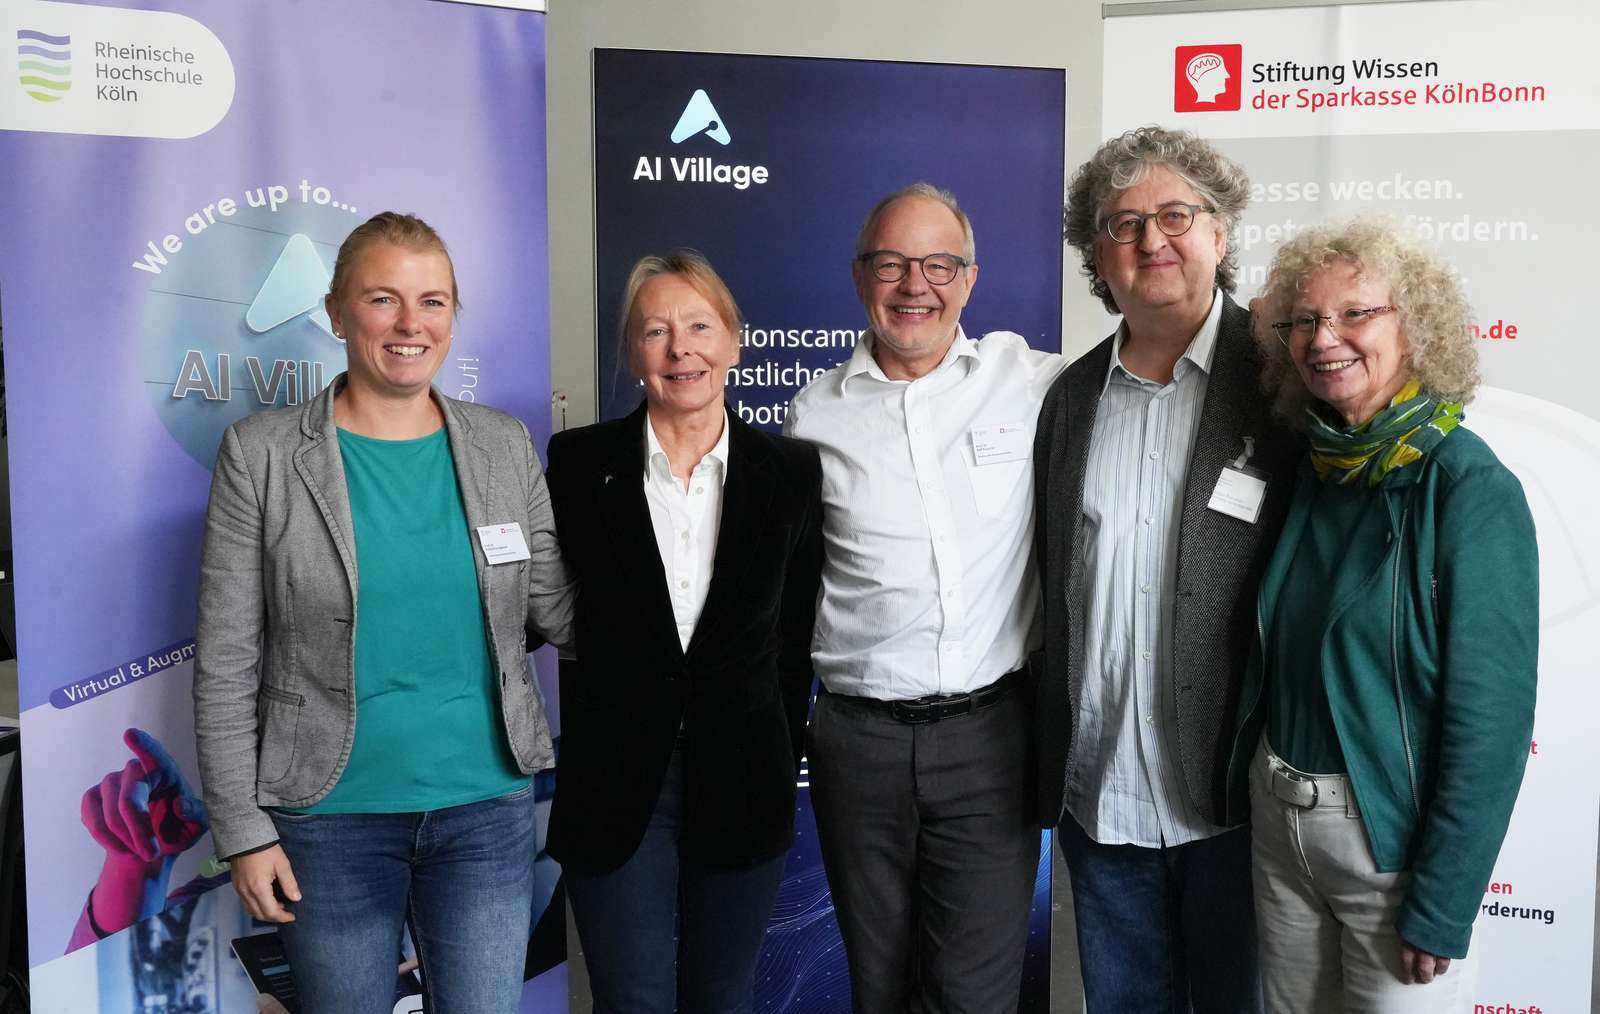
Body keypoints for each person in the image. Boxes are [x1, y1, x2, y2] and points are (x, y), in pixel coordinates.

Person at [193, 211, 574, 1014]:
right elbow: (227, 659)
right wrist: (243, 830)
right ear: (336, 314)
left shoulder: (504, 445)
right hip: (327, 821)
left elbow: (557, 612)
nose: (411, 325)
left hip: (485, 808)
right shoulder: (260, 455)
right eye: (383, 300)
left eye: (433, 302)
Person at [1228, 218, 1537, 1012]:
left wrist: (1444, 900)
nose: (1325, 337)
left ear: (1418, 328)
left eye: (1356, 313)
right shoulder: (1316, 466)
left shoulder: (1470, 490)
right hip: (1279, 826)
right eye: (1306, 320)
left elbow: (1491, 722)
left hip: (1388, 849)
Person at [1033, 125, 1298, 1011]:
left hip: (1234, 797)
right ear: (1095, 259)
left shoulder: (1285, 381)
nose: (1152, 240)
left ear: (1220, 236)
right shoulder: (1069, 401)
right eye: (1122, 224)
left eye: (1176, 215)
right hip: (1100, 796)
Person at [785, 183, 1061, 1012]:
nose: (916, 285)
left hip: (991, 739)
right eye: (893, 263)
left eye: (938, 264)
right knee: (880, 987)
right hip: (856, 745)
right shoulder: (812, 416)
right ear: (860, 275)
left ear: (969, 279)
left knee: (972, 996)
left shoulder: (1036, 381)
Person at [544, 250, 822, 1014]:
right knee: (630, 1000)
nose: (680, 349)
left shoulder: (793, 471)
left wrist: (779, 748)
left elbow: (794, 643)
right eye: (656, 331)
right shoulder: (576, 465)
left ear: (735, 341)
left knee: (722, 997)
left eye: (700, 326)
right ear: (632, 352)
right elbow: (548, 609)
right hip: (615, 779)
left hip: (745, 773)